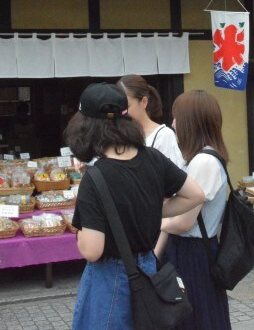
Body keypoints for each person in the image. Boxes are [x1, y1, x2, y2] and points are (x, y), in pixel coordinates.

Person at [67, 83, 204, 329]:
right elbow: (195, 195)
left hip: (110, 279)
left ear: (85, 127)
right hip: (149, 271)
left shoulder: (94, 177)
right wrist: (150, 210)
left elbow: (92, 250)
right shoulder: (153, 158)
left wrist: (78, 233)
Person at [157, 90, 232, 330]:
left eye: (177, 117)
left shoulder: (203, 161)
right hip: (196, 250)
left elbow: (184, 222)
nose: (173, 124)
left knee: (195, 317)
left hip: (192, 253)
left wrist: (156, 221)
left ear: (191, 122)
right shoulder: (204, 157)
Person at [118, 75, 185, 169]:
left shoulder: (163, 135)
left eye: (127, 106)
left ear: (144, 102)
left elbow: (174, 174)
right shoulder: (118, 135)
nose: (124, 112)